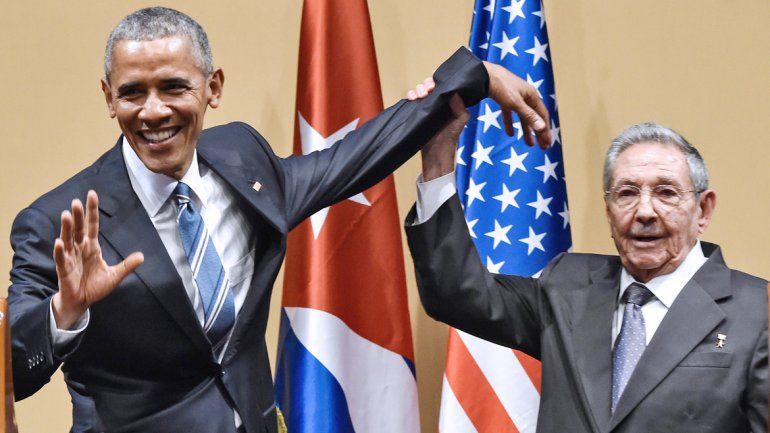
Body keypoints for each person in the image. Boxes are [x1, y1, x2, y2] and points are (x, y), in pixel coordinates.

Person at [7, 6, 553, 433]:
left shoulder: (243, 160)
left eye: (174, 87)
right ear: (108, 98)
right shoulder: (61, 221)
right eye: (132, 93)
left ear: (212, 88)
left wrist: (471, 77)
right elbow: (15, 371)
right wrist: (65, 310)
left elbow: (352, 158)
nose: (153, 111)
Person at [405, 115, 768, 432]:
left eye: (666, 193)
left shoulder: (757, 310)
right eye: (626, 193)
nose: (644, 211)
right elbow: (455, 293)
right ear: (609, 210)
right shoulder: (567, 286)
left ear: (703, 210)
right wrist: (438, 159)